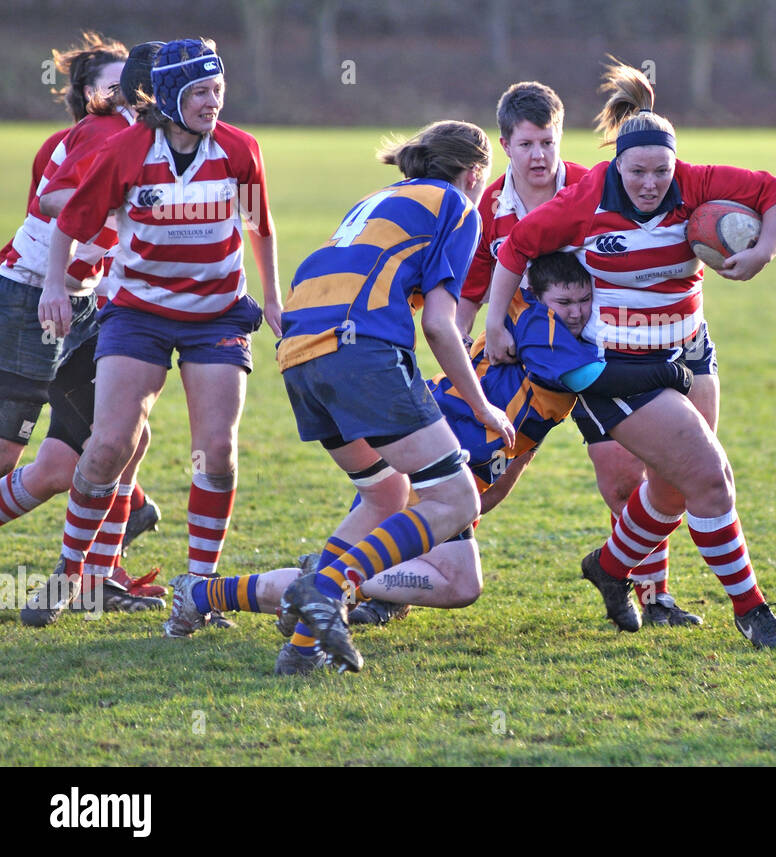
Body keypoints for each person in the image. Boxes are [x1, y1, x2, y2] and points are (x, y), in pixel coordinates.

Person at [167, 253, 692, 671]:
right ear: (537, 295)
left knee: (440, 577)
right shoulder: (541, 328)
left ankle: (215, 591)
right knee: (459, 583)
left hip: (441, 455)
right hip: (434, 462)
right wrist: (670, 374)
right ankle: (309, 580)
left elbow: (525, 437)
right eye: (565, 299)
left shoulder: (534, 318)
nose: (576, 310)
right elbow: (588, 380)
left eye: (584, 299)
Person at [484, 59, 776, 647]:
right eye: (638, 172)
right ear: (617, 166)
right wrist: (494, 325)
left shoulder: (698, 182)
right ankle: (752, 610)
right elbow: (516, 249)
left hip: (690, 349)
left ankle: (609, 568)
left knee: (675, 486)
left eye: (662, 170)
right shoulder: (586, 198)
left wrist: (764, 251)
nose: (651, 183)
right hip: (620, 366)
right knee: (711, 476)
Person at [34, 38, 283, 631]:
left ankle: (197, 592)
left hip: (217, 316)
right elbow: (68, 221)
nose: (212, 102)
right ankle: (71, 575)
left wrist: (272, 299)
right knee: (109, 444)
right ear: (170, 96)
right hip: (137, 314)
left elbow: (261, 228)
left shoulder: (240, 150)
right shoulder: (126, 151)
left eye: (218, 90)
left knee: (217, 450)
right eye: (200, 92)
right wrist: (52, 287)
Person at [261, 119, 516, 675]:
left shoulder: (379, 200)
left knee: (385, 496)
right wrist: (480, 405)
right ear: (476, 173)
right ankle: (327, 586)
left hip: (299, 355)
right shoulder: (458, 205)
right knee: (456, 501)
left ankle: (302, 652)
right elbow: (442, 328)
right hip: (358, 352)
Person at [456, 80, 699, 625]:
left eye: (548, 142)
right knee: (484, 483)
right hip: (523, 370)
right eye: (526, 145)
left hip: (601, 356)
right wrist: (464, 354)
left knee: (625, 480)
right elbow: (470, 294)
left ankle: (653, 597)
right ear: (505, 144)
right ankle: (413, 567)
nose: (539, 155)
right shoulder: (491, 209)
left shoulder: (597, 186)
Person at [3, 38, 167, 619]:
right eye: (116, 82)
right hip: (31, 299)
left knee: (122, 436)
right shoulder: (102, 135)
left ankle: (95, 577)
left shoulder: (147, 137)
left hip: (85, 303)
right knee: (28, 460)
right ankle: (98, 568)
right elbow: (52, 204)